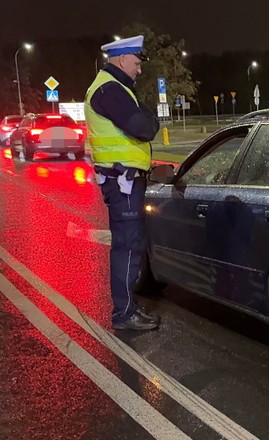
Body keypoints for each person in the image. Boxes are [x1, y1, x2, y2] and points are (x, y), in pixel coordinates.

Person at [85, 35, 161, 331]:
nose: (139, 69)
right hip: (122, 183)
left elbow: (144, 122)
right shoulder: (108, 89)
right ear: (121, 59)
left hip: (124, 181)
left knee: (130, 244)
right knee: (128, 246)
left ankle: (127, 307)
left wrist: (147, 118)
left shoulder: (117, 88)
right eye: (137, 62)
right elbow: (144, 127)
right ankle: (124, 313)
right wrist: (148, 120)